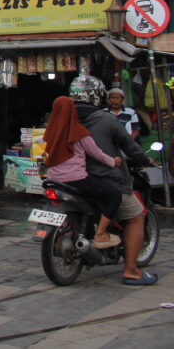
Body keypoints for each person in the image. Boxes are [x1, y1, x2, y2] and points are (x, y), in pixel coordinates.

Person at [70, 75, 157, 285]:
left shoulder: (64, 117)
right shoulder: (106, 119)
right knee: (136, 216)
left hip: (71, 180)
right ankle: (131, 270)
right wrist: (145, 159)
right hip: (105, 178)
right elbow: (128, 145)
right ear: (100, 97)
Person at [42, 96, 123, 248]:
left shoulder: (51, 132)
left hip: (54, 180)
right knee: (114, 194)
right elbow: (96, 153)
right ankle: (100, 234)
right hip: (76, 181)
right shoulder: (78, 131)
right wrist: (114, 161)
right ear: (72, 111)